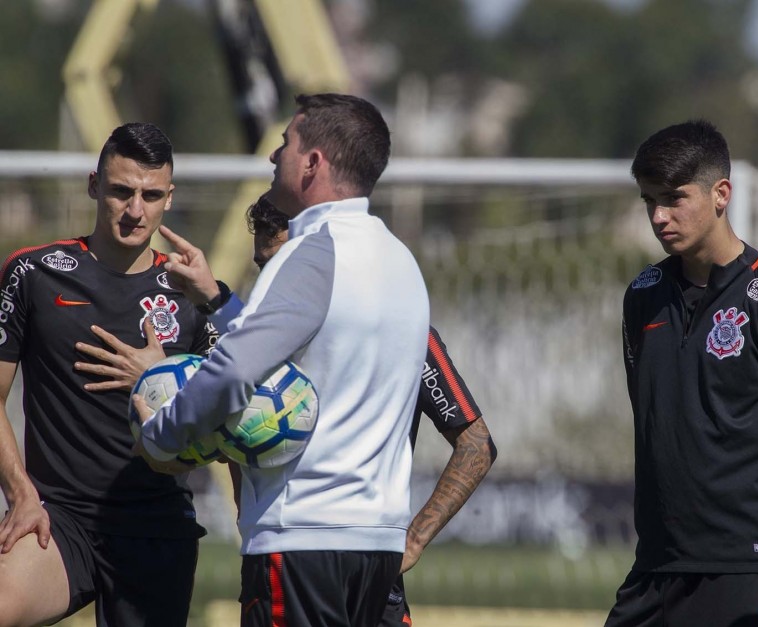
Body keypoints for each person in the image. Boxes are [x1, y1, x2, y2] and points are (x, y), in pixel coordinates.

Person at [79, 195, 498, 625]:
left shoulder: (402, 335)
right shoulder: (246, 346)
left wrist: (414, 540)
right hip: (285, 550)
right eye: (264, 266)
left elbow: (476, 443)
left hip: (361, 564)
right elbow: (227, 436)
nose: (274, 277)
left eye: (284, 263)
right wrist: (167, 383)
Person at [134, 93, 430, 627]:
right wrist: (218, 301)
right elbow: (310, 353)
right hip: (379, 544)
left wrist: (162, 434)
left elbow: (235, 369)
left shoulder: (311, 251)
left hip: (302, 538)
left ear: (313, 162)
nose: (274, 155)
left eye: (286, 144)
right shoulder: (400, 259)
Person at [605, 120, 758, 627]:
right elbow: (653, 415)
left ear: (721, 194)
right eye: (647, 201)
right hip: (655, 566)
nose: (659, 217)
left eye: (674, 198)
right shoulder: (642, 295)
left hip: (746, 568)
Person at [0, 123, 219, 626]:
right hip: (59, 520)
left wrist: (159, 376)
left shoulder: (192, 294)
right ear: (94, 184)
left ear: (169, 197)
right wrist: (20, 494)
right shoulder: (34, 274)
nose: (135, 209)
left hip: (157, 525)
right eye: (122, 191)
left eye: (151, 194)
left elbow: (226, 417)